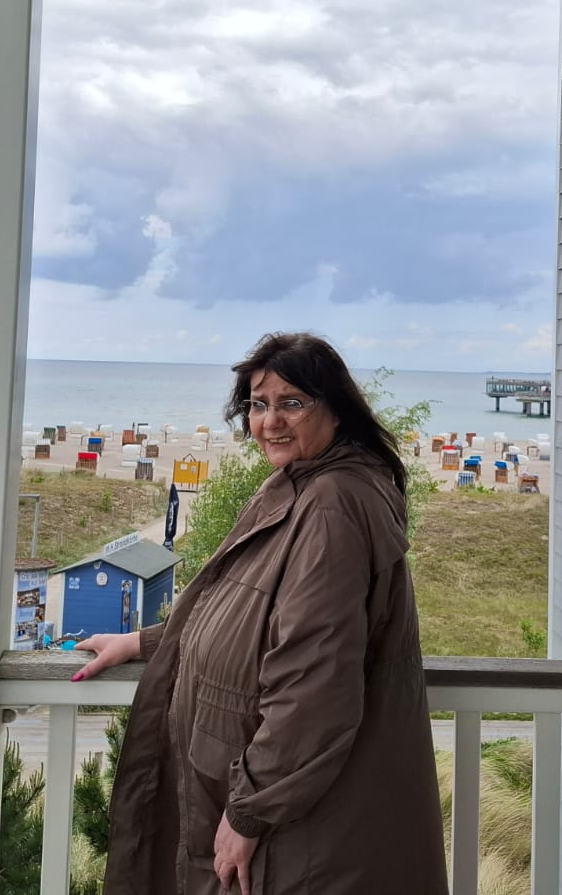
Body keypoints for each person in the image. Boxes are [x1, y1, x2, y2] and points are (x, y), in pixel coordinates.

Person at [72, 333, 448, 895]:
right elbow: (254, 613)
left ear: (336, 411)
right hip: (287, 813)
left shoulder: (332, 504)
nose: (270, 421)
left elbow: (314, 684)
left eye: (292, 403)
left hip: (305, 830)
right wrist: (147, 643)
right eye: (257, 404)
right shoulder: (305, 485)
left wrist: (250, 811)